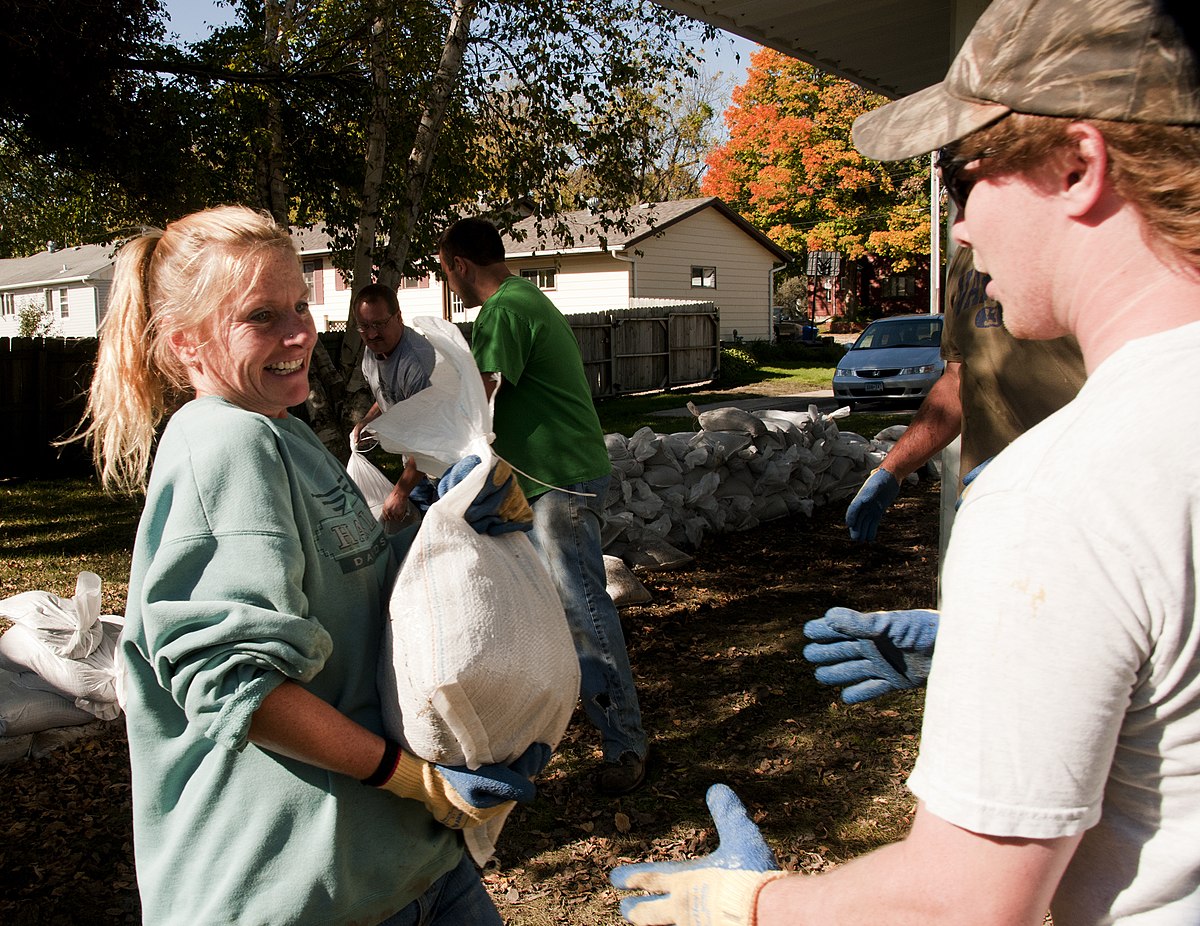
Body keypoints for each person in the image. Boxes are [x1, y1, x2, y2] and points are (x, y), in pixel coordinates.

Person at [612, 0, 1200, 923]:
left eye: (963, 178)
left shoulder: (1060, 495)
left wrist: (750, 905)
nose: (958, 227)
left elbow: (958, 906)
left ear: (1079, 165)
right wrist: (1006, 652)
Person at [77, 205, 547, 925]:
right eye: (261, 317)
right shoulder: (221, 446)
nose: (300, 332)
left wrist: (450, 519)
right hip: (302, 889)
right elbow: (237, 687)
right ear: (186, 345)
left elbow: (347, 582)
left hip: (400, 867)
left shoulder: (281, 429)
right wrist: (410, 778)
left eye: (300, 304)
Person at [437, 216, 651, 796]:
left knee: (582, 610)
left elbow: (478, 401)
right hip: (553, 478)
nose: (447, 280)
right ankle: (558, 731)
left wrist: (427, 445)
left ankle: (625, 743)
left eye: (445, 268)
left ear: (459, 264)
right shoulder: (521, 298)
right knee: (544, 612)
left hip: (559, 482)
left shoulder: (504, 310)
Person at [845, 244, 1085, 542]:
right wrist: (892, 470)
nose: (959, 227)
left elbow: (1148, 384)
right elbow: (956, 381)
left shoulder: (1100, 233)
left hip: (1084, 515)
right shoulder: (965, 258)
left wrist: (1030, 462)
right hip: (988, 516)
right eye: (958, 194)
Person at [350, 282, 438, 524]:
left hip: (446, 468)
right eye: (364, 326)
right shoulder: (372, 353)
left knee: (449, 540)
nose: (371, 334)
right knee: (416, 532)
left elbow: (429, 440)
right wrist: (368, 421)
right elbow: (389, 395)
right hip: (414, 466)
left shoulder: (418, 364)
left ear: (398, 317)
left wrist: (400, 493)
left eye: (379, 324)